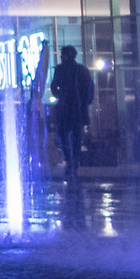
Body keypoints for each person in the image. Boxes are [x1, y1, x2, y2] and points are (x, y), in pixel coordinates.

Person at [50, 45, 96, 184]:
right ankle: (73, 161)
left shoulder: (61, 70)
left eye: (62, 55)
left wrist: (61, 96)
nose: (61, 57)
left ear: (66, 55)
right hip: (77, 110)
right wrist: (85, 102)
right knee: (75, 138)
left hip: (67, 110)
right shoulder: (82, 70)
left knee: (65, 136)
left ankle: (71, 161)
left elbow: (54, 88)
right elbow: (90, 89)